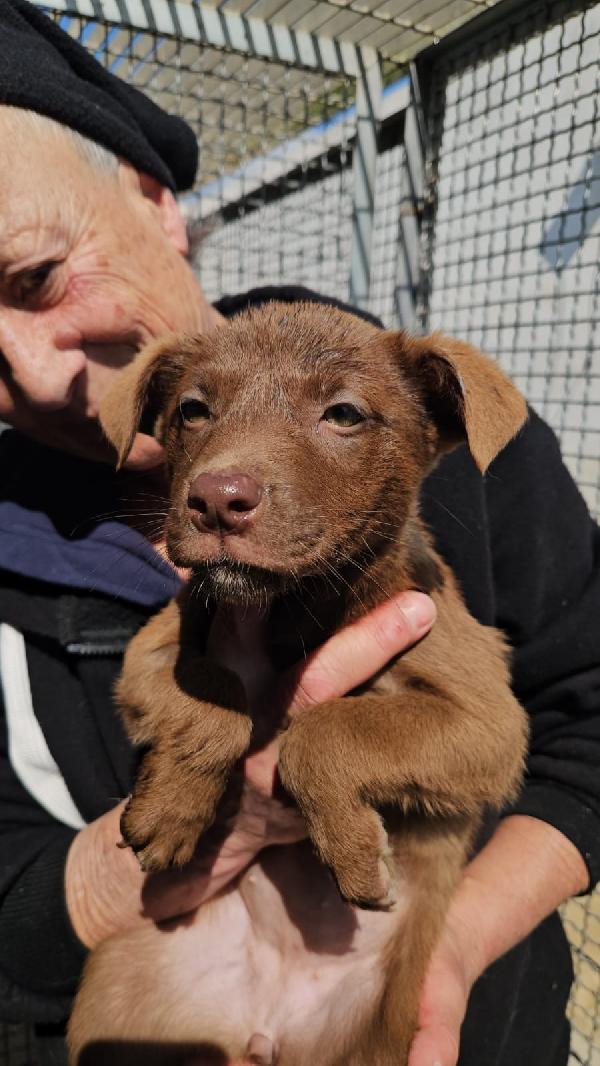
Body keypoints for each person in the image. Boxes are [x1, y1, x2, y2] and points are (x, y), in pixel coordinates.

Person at [0, 3, 598, 1065]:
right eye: (192, 415)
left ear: (151, 196)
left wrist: (448, 948)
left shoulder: (421, 407)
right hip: (174, 984)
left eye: (37, 274)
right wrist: (197, 775)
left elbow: (564, 730)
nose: (41, 371)